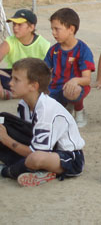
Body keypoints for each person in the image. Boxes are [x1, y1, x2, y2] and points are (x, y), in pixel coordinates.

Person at [0, 58, 85, 187]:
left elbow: (35, 153)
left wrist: (6, 139)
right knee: (3, 120)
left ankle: (9, 171)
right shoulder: (24, 104)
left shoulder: (46, 110)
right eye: (12, 78)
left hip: (67, 157)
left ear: (34, 86)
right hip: (43, 148)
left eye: (16, 80)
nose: (10, 83)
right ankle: (37, 172)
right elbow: (26, 135)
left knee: (35, 159)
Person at [44, 8, 95, 128]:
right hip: (55, 88)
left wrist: (75, 80)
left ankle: (79, 110)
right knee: (42, 108)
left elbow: (87, 79)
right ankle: (65, 107)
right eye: (52, 29)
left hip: (75, 88)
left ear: (71, 29)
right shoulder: (53, 50)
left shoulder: (83, 50)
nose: (53, 33)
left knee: (73, 91)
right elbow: (44, 71)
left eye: (57, 29)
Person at [0, 9, 50, 100]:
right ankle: (18, 92)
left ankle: (13, 93)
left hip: (34, 78)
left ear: (31, 27)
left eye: (19, 25)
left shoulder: (43, 44)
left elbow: (50, 69)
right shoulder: (10, 41)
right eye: (14, 24)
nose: (15, 28)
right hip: (14, 76)